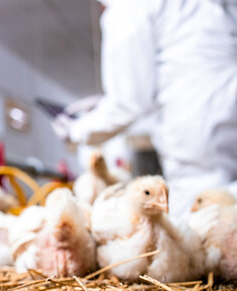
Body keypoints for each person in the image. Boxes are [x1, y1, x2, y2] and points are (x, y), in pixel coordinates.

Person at [54, 0, 237, 215]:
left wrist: (76, 130)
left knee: (204, 211)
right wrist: (102, 106)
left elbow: (129, 102)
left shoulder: (128, 6)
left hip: (199, 129)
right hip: (222, 104)